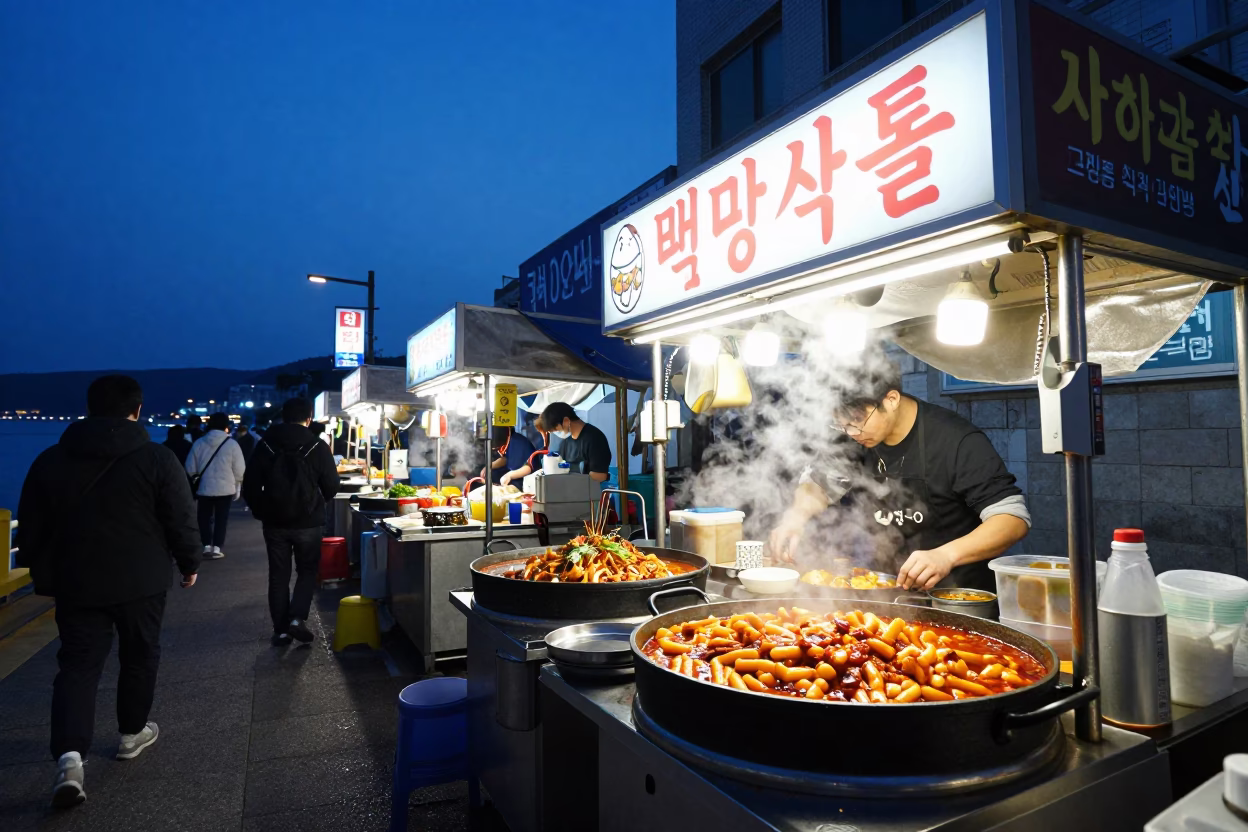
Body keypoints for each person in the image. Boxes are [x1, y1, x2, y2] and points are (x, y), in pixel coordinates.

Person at [15, 375, 200, 810]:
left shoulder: (50, 460)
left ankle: (69, 759)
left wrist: (46, 571)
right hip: (142, 580)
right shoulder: (157, 458)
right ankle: (131, 734)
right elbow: (179, 515)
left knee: (77, 665)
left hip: (77, 582)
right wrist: (189, 562)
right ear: (136, 410)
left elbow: (32, 526)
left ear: (90, 408)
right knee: (140, 654)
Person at [769, 356, 1030, 592]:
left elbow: (1011, 519)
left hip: (952, 597)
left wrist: (946, 555)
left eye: (857, 422)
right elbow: (819, 483)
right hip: (884, 591)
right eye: (842, 424)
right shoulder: (853, 436)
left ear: (891, 400)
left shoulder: (956, 440)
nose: (851, 433)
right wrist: (797, 516)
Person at [243, 397, 340, 644]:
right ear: (309, 419)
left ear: (283, 417)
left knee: (278, 575)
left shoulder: (265, 444)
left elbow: (251, 485)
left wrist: (261, 510)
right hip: (309, 522)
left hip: (274, 522)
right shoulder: (317, 445)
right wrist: (317, 503)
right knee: (307, 571)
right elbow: (331, 486)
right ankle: (297, 618)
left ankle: (281, 630)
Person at [185, 413, 246, 560]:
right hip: (225, 488)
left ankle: (206, 545)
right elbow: (239, 468)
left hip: (204, 488)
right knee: (221, 519)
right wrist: (238, 484)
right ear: (226, 426)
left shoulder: (199, 443)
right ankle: (217, 547)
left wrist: (196, 477)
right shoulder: (232, 444)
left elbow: (189, 466)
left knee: (204, 518)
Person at [540, 402, 611, 482]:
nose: (557, 433)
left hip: (591, 491)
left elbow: (601, 475)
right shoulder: (565, 443)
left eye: (556, 430)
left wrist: (575, 480)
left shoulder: (595, 438)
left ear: (566, 421)